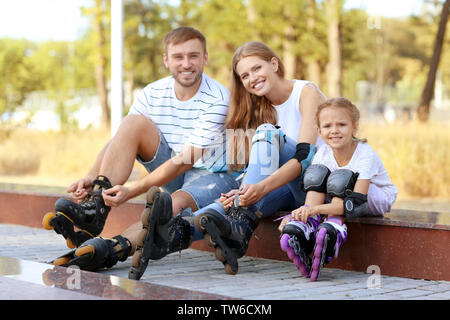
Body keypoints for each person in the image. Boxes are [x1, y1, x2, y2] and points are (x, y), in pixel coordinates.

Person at [46, 27, 240, 275]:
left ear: (205, 58)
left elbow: (185, 160)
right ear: (166, 60)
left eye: (193, 56)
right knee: (132, 123)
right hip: (172, 168)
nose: (186, 64)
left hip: (211, 175)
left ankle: (114, 248)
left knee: (173, 204)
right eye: (178, 57)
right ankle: (95, 208)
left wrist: (133, 190)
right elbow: (121, 140)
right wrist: (92, 177)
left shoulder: (218, 98)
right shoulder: (152, 93)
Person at [278, 97, 398, 281]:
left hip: (373, 197)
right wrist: (299, 214)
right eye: (327, 126)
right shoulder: (323, 154)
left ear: (354, 127)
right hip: (340, 198)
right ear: (318, 131)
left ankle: (335, 226)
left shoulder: (365, 153)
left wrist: (315, 210)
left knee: (343, 178)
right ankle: (308, 227)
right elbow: (314, 195)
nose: (334, 131)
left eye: (341, 124)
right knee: (317, 174)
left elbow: (355, 202)